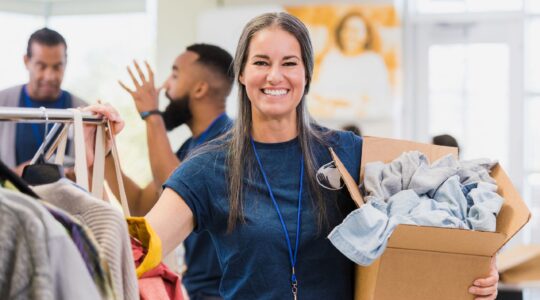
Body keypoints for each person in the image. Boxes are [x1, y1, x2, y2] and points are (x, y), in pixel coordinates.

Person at [91, 12, 499, 300]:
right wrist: (100, 150)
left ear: (306, 75)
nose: (275, 76)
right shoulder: (209, 166)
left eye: (289, 63)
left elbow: (436, 223)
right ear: (243, 75)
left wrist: (478, 268)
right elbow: (140, 250)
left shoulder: (346, 153)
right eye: (261, 63)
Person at [107, 44, 234, 300]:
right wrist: (104, 151)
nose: (165, 85)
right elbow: (143, 205)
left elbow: (184, 191)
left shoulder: (229, 143)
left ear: (200, 88)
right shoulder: (191, 147)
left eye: (175, 75)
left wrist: (152, 114)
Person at [0, 28, 87, 173]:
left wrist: (75, 175)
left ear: (66, 63)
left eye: (57, 66)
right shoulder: (3, 103)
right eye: (42, 66)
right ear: (26, 61)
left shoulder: (83, 110)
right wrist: (16, 175)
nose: (49, 76)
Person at [311, 11, 391, 120]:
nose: (350, 34)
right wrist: (353, 100)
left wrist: (341, 101)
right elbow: (321, 93)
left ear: (367, 35)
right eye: (346, 29)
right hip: (332, 119)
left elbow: (379, 99)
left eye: (356, 30)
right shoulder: (332, 58)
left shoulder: (373, 61)